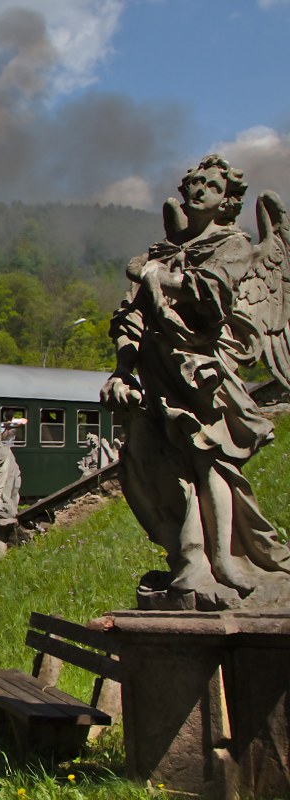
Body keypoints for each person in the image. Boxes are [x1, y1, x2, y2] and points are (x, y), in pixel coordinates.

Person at [102, 153, 290, 610]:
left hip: (201, 371)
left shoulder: (234, 246)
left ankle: (223, 558)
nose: (199, 189)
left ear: (227, 199)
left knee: (209, 462)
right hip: (154, 372)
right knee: (151, 466)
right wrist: (122, 370)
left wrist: (157, 277)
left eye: (211, 184)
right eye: (195, 182)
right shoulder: (161, 252)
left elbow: (210, 293)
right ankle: (186, 558)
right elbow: (130, 319)